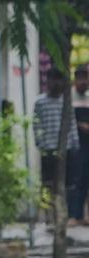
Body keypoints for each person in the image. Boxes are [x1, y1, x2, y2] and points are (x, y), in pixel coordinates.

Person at [35, 69, 82, 227]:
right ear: (47, 82)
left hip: (66, 148)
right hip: (48, 149)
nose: (56, 84)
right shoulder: (40, 102)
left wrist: (75, 144)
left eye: (59, 80)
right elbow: (36, 124)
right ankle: (49, 217)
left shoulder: (66, 101)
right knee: (48, 183)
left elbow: (72, 123)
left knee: (66, 184)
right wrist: (40, 143)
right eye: (53, 80)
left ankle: (63, 216)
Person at [72, 66, 89, 226]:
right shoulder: (70, 97)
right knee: (77, 179)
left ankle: (83, 215)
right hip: (75, 145)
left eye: (86, 78)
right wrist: (79, 126)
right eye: (81, 78)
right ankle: (75, 215)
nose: (84, 82)